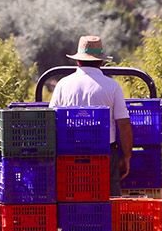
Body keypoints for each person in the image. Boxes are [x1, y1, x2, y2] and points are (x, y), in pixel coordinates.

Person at [47, 35, 132, 196]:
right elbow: (124, 124)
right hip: (105, 155)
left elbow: (51, 122)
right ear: (101, 61)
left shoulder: (63, 85)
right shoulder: (112, 86)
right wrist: (127, 156)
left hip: (69, 155)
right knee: (109, 199)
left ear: (78, 61)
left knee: (71, 197)